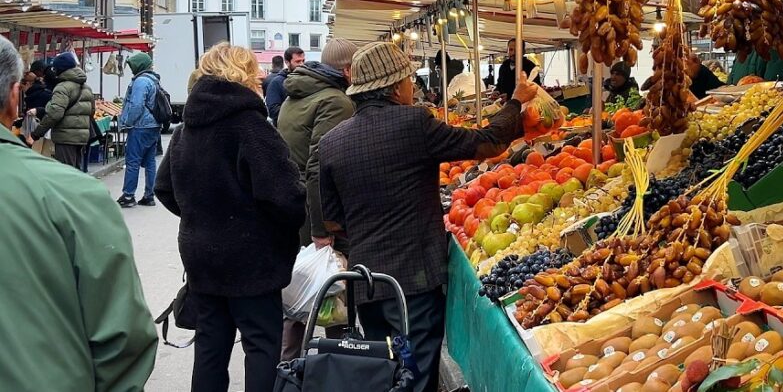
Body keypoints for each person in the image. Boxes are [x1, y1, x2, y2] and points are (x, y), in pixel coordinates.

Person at [316, 42, 538, 392]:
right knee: (416, 376)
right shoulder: (414, 123)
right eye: (408, 80)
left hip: (367, 283)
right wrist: (516, 101)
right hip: (414, 282)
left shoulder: (331, 141)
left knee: (383, 373)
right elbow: (489, 142)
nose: (411, 88)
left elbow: (333, 221)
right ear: (393, 87)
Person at [0, 36, 159, 390]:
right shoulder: (74, 197)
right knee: (141, 164)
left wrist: (39, 130)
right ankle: (142, 193)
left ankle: (137, 192)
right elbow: (123, 341)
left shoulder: (68, 90)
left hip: (71, 140)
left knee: (135, 163)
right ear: (14, 96)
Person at [156, 43, 306, 392]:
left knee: (211, 344)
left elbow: (164, 188)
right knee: (261, 343)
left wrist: (200, 216)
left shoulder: (186, 128)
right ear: (244, 72)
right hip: (251, 261)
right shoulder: (250, 125)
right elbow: (285, 196)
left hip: (202, 258)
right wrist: (265, 227)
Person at [275, 38, 357, 360]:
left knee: (303, 290)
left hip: (295, 206)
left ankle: (289, 365)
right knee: (332, 290)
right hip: (318, 212)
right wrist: (322, 228)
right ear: (349, 69)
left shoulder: (297, 93)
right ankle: (333, 363)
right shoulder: (336, 101)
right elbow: (318, 167)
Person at [29, 51, 94, 169]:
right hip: (82, 138)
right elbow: (91, 112)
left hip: (66, 138)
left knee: (67, 175)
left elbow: (54, 114)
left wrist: (36, 134)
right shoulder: (86, 88)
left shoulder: (62, 88)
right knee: (76, 173)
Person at [117, 53, 163, 208]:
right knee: (150, 161)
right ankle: (149, 195)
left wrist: (127, 121)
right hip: (153, 125)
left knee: (133, 161)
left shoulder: (140, 81)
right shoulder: (153, 80)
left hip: (140, 126)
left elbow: (137, 105)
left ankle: (129, 195)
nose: (131, 69)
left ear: (139, 66)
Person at [265, 46, 306, 123]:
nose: (302, 64)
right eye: (298, 61)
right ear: (287, 62)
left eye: (303, 61)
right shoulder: (277, 82)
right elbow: (273, 110)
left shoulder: (307, 79)